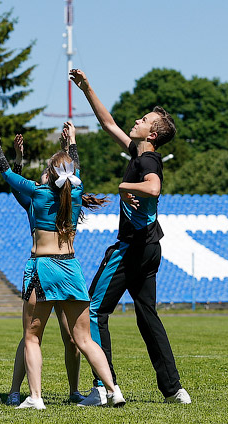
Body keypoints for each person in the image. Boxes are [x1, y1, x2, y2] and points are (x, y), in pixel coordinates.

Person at [68, 68, 192, 406]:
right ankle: (174, 390)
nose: (136, 121)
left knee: (91, 310)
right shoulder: (138, 152)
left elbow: (154, 187)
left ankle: (104, 387)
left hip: (132, 248)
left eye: (143, 119)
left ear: (152, 134)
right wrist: (87, 88)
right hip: (151, 247)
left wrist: (124, 187)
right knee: (147, 314)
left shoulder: (147, 159)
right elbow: (109, 124)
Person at [0, 124, 124, 410]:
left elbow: (8, 176)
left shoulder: (37, 193)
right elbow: (75, 170)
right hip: (71, 267)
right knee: (84, 338)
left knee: (32, 337)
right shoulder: (76, 192)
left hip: (43, 267)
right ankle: (113, 390)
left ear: (49, 174)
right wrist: (71, 142)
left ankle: (35, 397)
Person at [5, 134, 86, 406]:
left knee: (68, 338)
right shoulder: (35, 200)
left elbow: (16, 181)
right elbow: (17, 187)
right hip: (58, 268)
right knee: (30, 336)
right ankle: (16, 390)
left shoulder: (56, 195)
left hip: (50, 267)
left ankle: (73, 391)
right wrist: (19, 159)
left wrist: (5, 156)